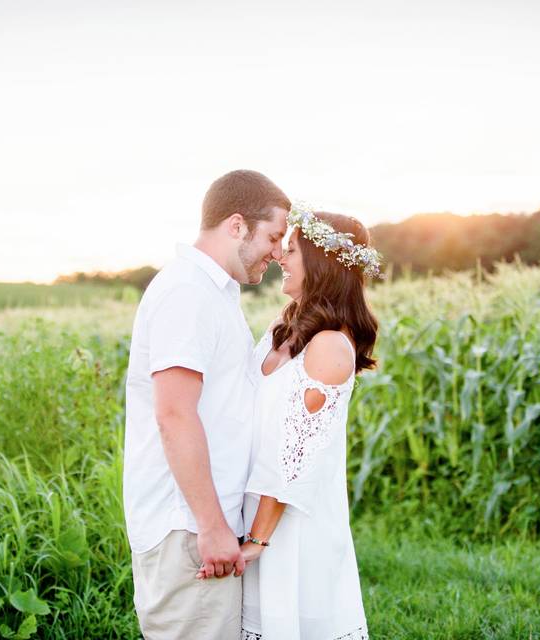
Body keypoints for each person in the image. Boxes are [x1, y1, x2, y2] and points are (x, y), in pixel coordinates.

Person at [198, 207, 380, 640]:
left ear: (321, 264)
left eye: (292, 249)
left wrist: (257, 543)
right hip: (251, 508)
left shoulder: (331, 346)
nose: (279, 255)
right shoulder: (285, 325)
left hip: (290, 528)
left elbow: (291, 459)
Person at [123, 170, 290, 639]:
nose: (278, 254)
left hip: (203, 521)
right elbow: (174, 413)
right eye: (274, 237)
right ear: (237, 226)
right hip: (189, 527)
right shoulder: (187, 293)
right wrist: (212, 526)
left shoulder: (216, 294)